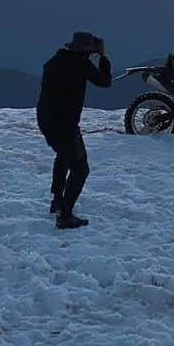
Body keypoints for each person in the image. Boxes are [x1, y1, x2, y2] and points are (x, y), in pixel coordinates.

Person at [36, 32, 111, 230]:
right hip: (65, 124)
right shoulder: (81, 64)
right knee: (80, 167)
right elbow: (105, 81)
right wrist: (103, 57)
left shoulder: (54, 61)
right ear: (86, 51)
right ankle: (65, 215)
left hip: (45, 120)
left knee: (63, 155)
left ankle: (57, 201)